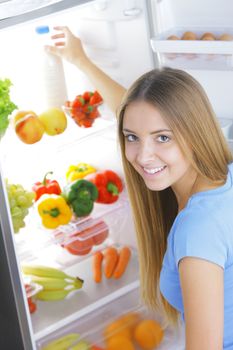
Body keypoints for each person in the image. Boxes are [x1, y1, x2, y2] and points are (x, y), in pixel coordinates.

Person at [47, 27, 233, 349]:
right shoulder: (225, 175)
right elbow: (139, 115)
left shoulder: (196, 230)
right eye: (131, 138)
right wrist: (81, 61)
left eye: (163, 138)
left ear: (194, 132)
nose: (143, 156)